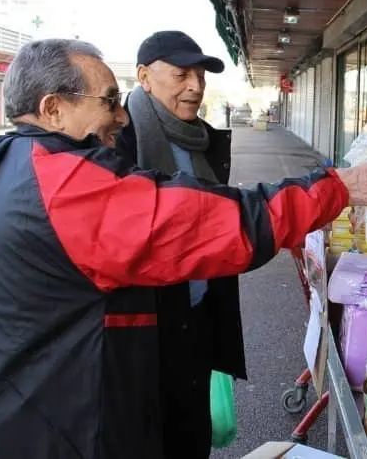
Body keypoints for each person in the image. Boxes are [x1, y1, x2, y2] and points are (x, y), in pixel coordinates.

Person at [0, 38, 367, 459]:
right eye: (109, 101)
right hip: (63, 425)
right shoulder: (66, 182)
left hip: (46, 402)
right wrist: (335, 188)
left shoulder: (9, 159)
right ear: (52, 108)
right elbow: (212, 223)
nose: (122, 115)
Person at [115, 31, 243, 458]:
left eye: (201, 76)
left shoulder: (204, 140)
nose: (196, 86)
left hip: (199, 308)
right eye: (182, 74)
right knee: (147, 433)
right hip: (144, 320)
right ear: (144, 77)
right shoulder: (116, 141)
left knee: (192, 430)